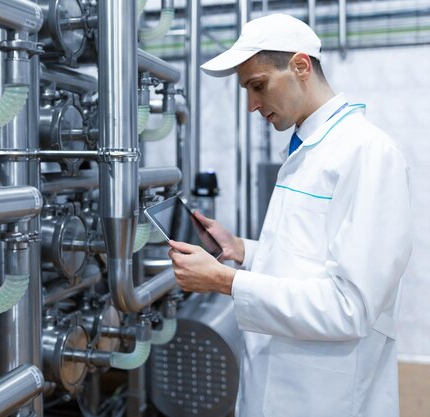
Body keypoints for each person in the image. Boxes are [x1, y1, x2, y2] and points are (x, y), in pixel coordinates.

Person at [167, 13, 413, 417]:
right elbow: (313, 257)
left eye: (258, 86)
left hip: (325, 396)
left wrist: (227, 282)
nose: (251, 105)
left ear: (300, 66)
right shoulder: (310, 148)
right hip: (282, 384)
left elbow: (349, 306)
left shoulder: (367, 154)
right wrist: (241, 249)